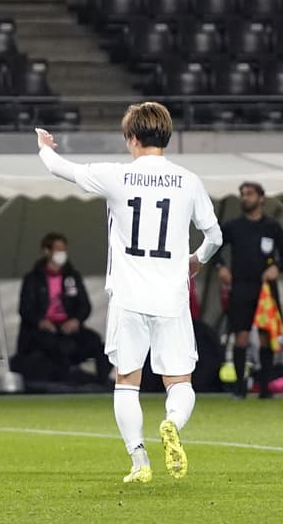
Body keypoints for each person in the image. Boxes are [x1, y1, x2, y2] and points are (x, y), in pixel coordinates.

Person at [36, 101, 222, 484]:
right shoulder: (188, 180)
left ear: (132, 138)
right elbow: (215, 236)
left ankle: (139, 460)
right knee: (181, 382)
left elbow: (58, 168)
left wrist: (44, 145)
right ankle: (171, 423)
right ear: (165, 136)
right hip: (171, 297)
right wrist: (196, 259)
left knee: (126, 381)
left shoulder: (116, 176)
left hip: (128, 297)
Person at [212, 181, 283, 399]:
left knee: (267, 335)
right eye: (242, 194)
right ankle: (240, 387)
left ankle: (265, 388)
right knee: (242, 336)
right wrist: (221, 266)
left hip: (265, 288)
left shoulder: (272, 227)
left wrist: (277, 268)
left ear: (261, 198)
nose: (244, 198)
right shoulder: (233, 226)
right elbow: (213, 246)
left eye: (249, 194)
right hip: (241, 286)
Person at [13, 232, 110, 386]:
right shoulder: (33, 279)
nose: (62, 254)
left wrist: (76, 320)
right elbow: (25, 309)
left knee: (95, 342)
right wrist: (41, 322)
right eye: (58, 249)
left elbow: (84, 305)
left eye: (63, 249)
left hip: (68, 326)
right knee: (59, 346)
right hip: (43, 330)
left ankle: (102, 382)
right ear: (47, 251)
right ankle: (68, 379)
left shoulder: (72, 276)